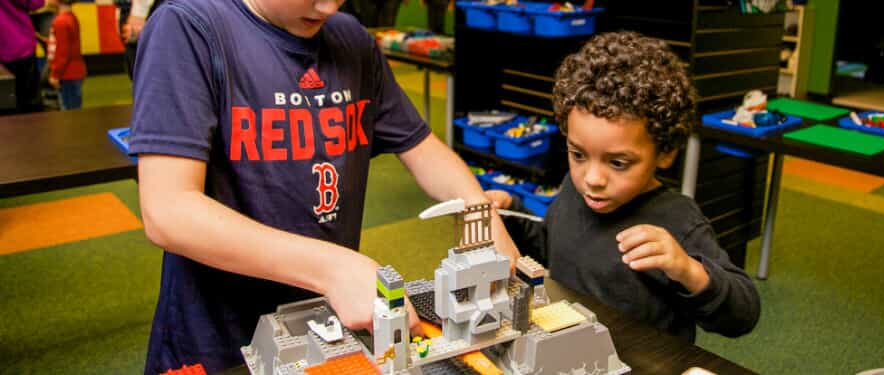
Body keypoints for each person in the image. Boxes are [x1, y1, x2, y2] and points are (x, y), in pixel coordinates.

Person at [128, 0, 520, 373]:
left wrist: (478, 209)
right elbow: (169, 211)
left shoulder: (351, 39)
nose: (329, 7)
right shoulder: (188, 28)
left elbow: (421, 147)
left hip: (329, 327)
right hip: (219, 340)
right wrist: (332, 269)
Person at [487, 32, 760, 343]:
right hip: (567, 348)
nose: (592, 178)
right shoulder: (574, 190)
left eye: (617, 163)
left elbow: (744, 313)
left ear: (665, 152)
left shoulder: (679, 220)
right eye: (578, 154)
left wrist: (687, 270)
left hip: (641, 360)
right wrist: (512, 214)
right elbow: (552, 248)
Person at [0, 0, 45, 114]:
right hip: (19, 46)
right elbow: (36, 3)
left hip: (6, 50)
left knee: (6, 106)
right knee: (29, 105)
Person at [47, 0, 86, 110]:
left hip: (67, 75)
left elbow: (62, 53)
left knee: (69, 111)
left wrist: (55, 74)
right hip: (74, 73)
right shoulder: (71, 17)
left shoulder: (60, 22)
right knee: (74, 109)